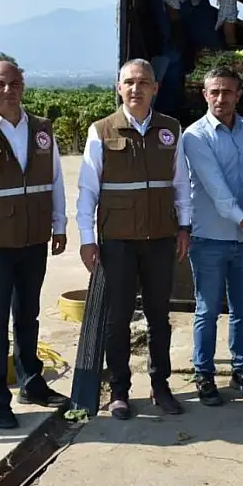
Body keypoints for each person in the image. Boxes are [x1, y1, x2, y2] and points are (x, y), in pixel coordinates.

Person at [0, 61, 71, 429]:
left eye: (15, 83)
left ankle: (32, 383)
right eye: (0, 84)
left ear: (23, 86)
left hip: (33, 240)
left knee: (28, 317)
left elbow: (55, 179)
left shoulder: (41, 130)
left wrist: (59, 224)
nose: (8, 90)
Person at [76, 58, 193, 420]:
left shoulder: (170, 130)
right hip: (118, 241)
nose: (136, 89)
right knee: (118, 319)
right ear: (118, 88)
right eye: (129, 82)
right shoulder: (102, 131)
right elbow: (87, 190)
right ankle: (120, 391)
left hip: (160, 238)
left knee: (160, 317)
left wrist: (184, 227)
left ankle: (161, 386)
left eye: (143, 82)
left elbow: (180, 185)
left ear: (155, 88)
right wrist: (86, 238)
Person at [182, 66, 243, 406]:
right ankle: (203, 374)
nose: (221, 98)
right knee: (207, 310)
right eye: (214, 92)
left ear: (238, 94)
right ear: (205, 95)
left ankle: (241, 369)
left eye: (228, 92)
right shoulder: (195, 136)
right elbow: (217, 191)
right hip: (210, 238)